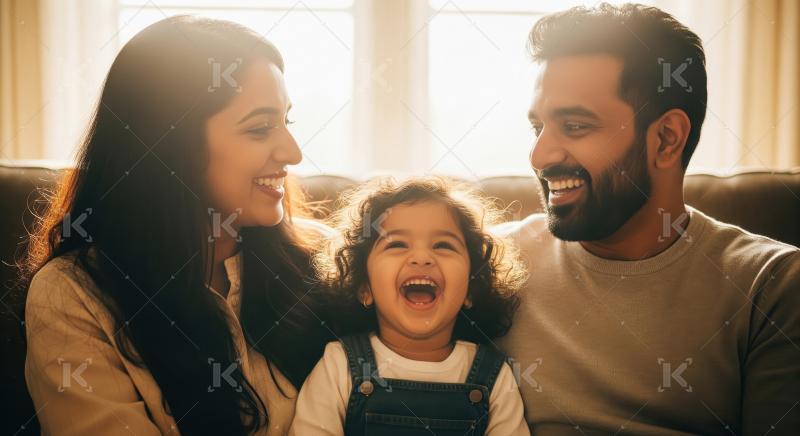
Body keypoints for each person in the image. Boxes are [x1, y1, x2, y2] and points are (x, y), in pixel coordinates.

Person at [496, 3, 800, 434]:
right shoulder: (487, 262)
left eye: (576, 126)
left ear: (666, 139)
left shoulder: (772, 286)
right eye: (537, 128)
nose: (540, 156)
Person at [21, 16, 332, 435]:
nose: (293, 153)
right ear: (171, 145)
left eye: (286, 123)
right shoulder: (73, 296)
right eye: (260, 128)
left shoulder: (327, 262)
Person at [290, 177, 530, 435]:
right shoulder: (339, 364)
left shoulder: (494, 377)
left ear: (471, 289)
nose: (421, 258)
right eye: (397, 244)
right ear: (364, 288)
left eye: (443, 245)